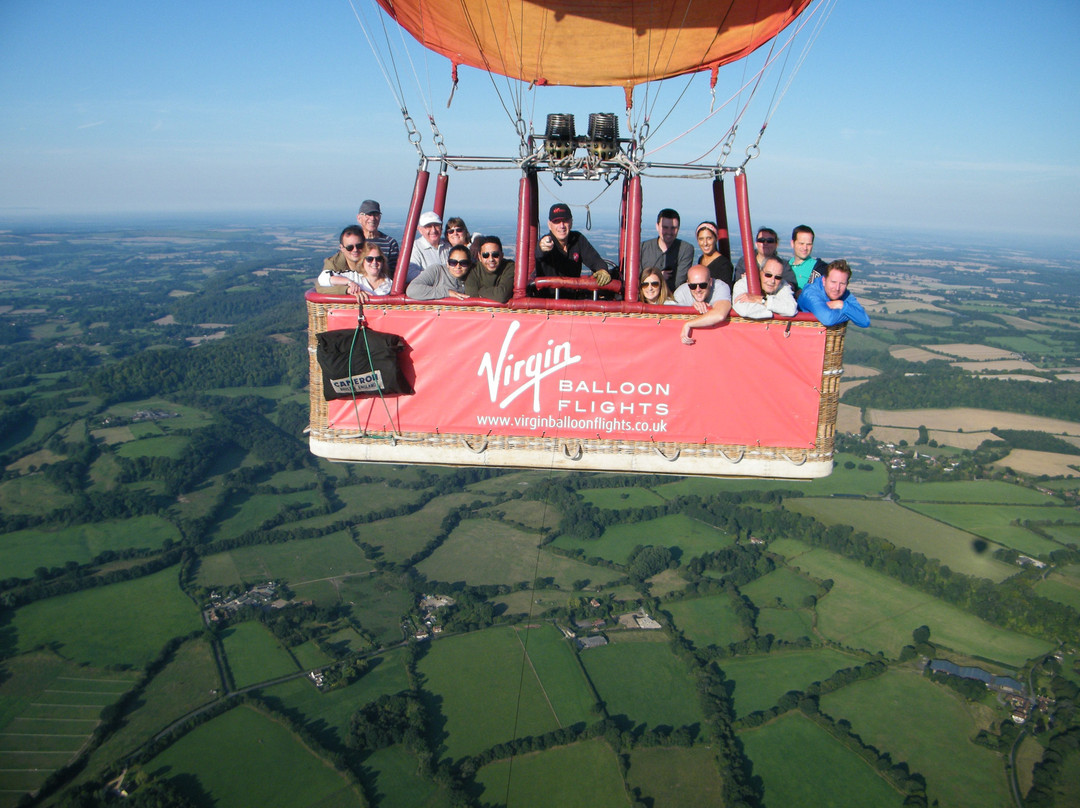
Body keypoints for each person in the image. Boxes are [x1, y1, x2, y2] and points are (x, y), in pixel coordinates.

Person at [536, 203, 611, 286]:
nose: (562, 226)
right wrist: (542, 247)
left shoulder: (578, 239)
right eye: (556, 221)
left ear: (571, 222)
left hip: (573, 296)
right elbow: (539, 253)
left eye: (565, 220)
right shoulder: (547, 242)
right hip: (547, 297)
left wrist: (602, 270)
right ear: (549, 225)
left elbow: (595, 260)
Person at [797, 259, 871, 327]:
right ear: (824, 281)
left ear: (847, 284)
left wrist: (841, 304)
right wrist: (850, 313)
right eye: (833, 282)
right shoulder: (810, 293)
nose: (837, 288)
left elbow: (865, 321)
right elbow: (827, 319)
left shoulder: (845, 294)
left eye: (842, 283)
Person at [317, 241, 392, 302]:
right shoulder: (354, 277)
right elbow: (323, 278)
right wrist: (350, 284)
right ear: (363, 261)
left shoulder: (389, 284)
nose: (374, 262)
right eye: (370, 259)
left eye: (378, 259)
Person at [678, 266, 732, 344]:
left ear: (710, 282)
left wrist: (689, 324)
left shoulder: (720, 287)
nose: (698, 290)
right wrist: (691, 308)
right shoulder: (681, 293)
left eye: (702, 285)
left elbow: (720, 315)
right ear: (688, 284)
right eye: (693, 286)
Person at [731, 257, 797, 320]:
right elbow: (744, 310)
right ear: (760, 272)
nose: (772, 281)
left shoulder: (783, 285)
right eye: (768, 275)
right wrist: (777, 311)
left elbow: (791, 309)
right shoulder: (743, 284)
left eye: (778, 277)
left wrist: (761, 300)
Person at [407, 244, 472, 300]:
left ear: (469, 264)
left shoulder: (473, 274)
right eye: (453, 262)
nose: (458, 266)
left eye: (463, 263)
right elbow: (412, 290)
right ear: (447, 263)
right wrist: (447, 293)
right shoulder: (437, 271)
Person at [465, 236, 515, 303]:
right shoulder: (473, 269)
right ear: (479, 257)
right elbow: (472, 297)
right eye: (485, 255)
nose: (491, 259)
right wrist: (494, 294)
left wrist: (481, 291)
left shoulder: (509, 266)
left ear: (502, 255)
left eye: (495, 255)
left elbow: (502, 296)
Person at [356, 199, 399, 275]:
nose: (372, 218)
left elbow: (394, 272)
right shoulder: (353, 243)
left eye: (376, 214)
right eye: (368, 214)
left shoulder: (390, 243)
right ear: (359, 218)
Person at [407, 211, 449, 281]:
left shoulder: (447, 245)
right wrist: (440, 278)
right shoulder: (415, 247)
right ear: (420, 230)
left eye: (437, 225)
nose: (433, 230)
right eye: (428, 226)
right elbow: (410, 274)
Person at [695, 221, 735, 291]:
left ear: (716, 239)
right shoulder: (701, 259)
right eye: (701, 239)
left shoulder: (724, 265)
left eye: (709, 238)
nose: (705, 243)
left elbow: (725, 290)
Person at [788, 225, 828, 292]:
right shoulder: (784, 267)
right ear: (792, 243)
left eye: (809, 244)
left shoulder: (820, 269)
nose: (805, 248)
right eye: (801, 243)